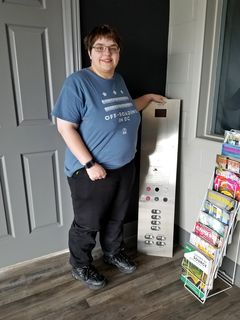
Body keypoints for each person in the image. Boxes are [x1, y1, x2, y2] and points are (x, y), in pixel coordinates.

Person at [52, 24, 166, 290]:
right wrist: (90, 164)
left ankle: (113, 253)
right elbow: (64, 126)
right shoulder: (77, 82)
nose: (107, 53)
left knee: (117, 216)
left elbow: (123, 109)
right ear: (90, 52)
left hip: (124, 166)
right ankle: (80, 265)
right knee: (87, 223)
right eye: (100, 48)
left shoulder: (118, 80)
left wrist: (146, 98)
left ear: (119, 53)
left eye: (112, 48)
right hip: (91, 172)